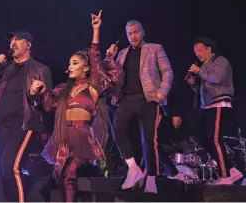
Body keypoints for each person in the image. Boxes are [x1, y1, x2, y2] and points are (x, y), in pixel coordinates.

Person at [29, 10, 123, 202]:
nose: (70, 66)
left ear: (86, 67)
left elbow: (95, 57)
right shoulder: (64, 88)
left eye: (74, 63)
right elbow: (49, 103)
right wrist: (41, 90)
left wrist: (96, 30)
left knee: (70, 175)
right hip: (62, 137)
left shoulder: (92, 86)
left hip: (81, 137)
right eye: (69, 63)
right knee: (62, 178)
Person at [0, 31, 52, 202]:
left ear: (28, 45)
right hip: (2, 125)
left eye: (18, 39)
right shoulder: (4, 68)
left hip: (24, 124)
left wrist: (41, 92)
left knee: (10, 166)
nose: (13, 42)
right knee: (3, 170)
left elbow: (49, 104)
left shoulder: (41, 69)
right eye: (11, 39)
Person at [111, 20, 173, 193]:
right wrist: (110, 57)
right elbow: (112, 75)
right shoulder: (122, 54)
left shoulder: (155, 48)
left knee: (149, 139)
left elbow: (167, 71)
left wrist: (162, 92)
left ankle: (151, 179)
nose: (133, 36)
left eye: (136, 32)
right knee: (117, 128)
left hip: (148, 99)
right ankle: (133, 168)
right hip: (126, 99)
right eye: (129, 34)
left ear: (142, 32)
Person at [186, 37, 243, 185]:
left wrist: (199, 71)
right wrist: (193, 84)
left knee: (214, 139)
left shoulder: (220, 61)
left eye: (199, 50)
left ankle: (225, 177)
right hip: (206, 106)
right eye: (195, 51)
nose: (197, 54)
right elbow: (203, 86)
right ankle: (231, 170)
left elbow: (217, 78)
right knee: (202, 138)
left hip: (219, 103)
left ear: (208, 49)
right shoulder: (203, 66)